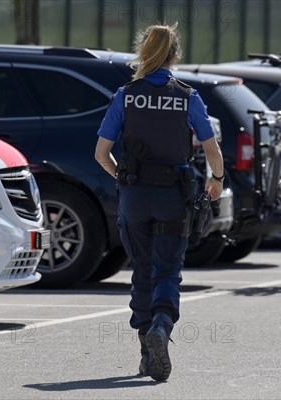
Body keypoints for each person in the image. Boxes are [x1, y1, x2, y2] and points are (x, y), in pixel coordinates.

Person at [94, 23, 225, 382]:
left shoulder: (126, 94)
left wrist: (122, 177)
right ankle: (162, 327)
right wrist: (217, 180)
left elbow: (101, 153)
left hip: (134, 197)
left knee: (141, 272)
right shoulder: (187, 96)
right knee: (167, 270)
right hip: (173, 195)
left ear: (144, 53)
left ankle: (145, 353)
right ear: (175, 56)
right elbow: (211, 149)